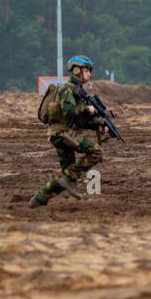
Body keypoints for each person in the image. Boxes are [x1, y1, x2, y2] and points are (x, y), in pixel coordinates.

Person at [30, 55, 106, 207]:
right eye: (87, 70)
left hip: (60, 133)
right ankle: (64, 181)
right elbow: (69, 111)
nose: (90, 74)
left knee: (68, 175)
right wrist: (87, 109)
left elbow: (79, 120)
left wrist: (96, 124)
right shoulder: (67, 89)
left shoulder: (77, 91)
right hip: (62, 133)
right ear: (77, 70)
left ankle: (40, 198)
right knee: (96, 152)